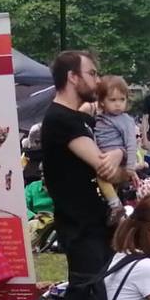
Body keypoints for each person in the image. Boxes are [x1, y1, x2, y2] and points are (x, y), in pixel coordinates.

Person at [42, 50, 119, 280]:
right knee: (89, 296)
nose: (98, 81)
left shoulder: (78, 119)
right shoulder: (60, 119)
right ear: (73, 77)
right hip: (80, 227)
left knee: (105, 292)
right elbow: (105, 167)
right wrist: (117, 154)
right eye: (92, 73)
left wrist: (117, 152)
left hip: (95, 222)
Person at [93, 75, 140, 221]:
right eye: (112, 100)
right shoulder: (100, 118)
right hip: (105, 158)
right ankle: (115, 210)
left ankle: (115, 206)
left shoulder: (125, 120)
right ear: (101, 102)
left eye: (122, 99)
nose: (118, 104)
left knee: (102, 176)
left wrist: (131, 167)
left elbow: (131, 143)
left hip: (119, 163)